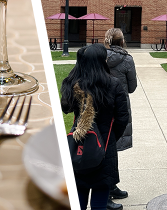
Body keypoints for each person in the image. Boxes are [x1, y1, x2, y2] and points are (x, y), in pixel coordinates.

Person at [61, 44, 130, 210]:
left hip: (79, 145)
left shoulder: (74, 84)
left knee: (80, 194)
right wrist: (112, 137)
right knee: (100, 198)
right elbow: (122, 118)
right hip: (105, 146)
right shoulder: (113, 84)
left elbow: (65, 107)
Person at [102, 28, 136, 206]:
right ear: (122, 41)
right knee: (110, 149)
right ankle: (105, 192)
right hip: (119, 107)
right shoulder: (127, 59)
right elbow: (132, 87)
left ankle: (111, 185)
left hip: (101, 106)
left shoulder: (100, 57)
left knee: (107, 148)